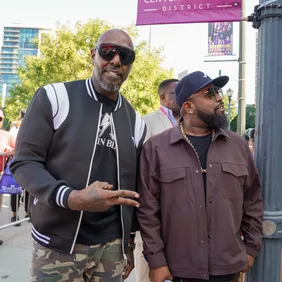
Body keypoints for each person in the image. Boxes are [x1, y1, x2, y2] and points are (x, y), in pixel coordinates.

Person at [10, 29, 146, 281]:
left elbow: (134, 186)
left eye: (126, 56)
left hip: (111, 248)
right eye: (108, 51)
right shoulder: (54, 97)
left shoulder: (136, 122)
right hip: (58, 244)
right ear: (93, 54)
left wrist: (128, 240)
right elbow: (24, 162)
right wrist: (71, 198)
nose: (116, 60)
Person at [138, 71, 263, 282]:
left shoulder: (238, 146)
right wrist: (157, 261)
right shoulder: (156, 148)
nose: (219, 97)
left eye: (219, 91)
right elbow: (147, 212)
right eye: (210, 93)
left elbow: (252, 200)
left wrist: (251, 248)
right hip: (177, 270)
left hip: (228, 268)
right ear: (188, 107)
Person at [135, 78, 179, 282]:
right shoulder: (145, 122)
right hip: (153, 210)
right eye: (175, 92)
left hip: (179, 214)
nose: (181, 96)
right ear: (162, 97)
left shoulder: (189, 122)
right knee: (149, 273)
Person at [0, 110, 15, 245]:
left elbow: (14, 149)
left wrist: (9, 151)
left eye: (0, 118)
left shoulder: (6, 134)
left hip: (2, 173)